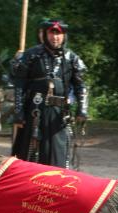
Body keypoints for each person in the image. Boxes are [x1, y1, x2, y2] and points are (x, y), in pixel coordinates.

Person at [11, 19, 88, 169]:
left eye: (58, 34)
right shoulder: (32, 55)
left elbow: (80, 85)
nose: (55, 37)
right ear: (45, 35)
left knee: (57, 155)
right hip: (35, 111)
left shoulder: (71, 58)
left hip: (59, 114)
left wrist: (82, 109)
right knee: (30, 154)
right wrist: (18, 111)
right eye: (51, 33)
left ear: (64, 36)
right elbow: (20, 84)